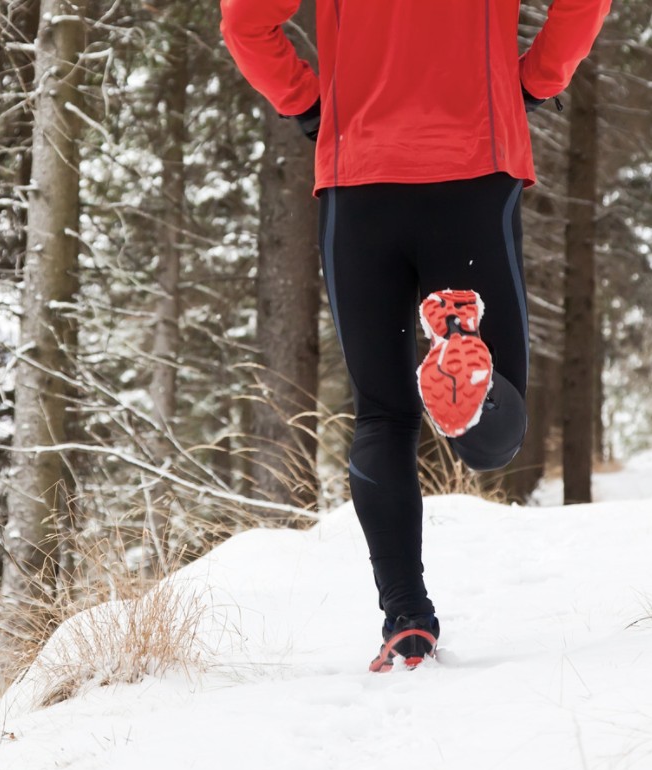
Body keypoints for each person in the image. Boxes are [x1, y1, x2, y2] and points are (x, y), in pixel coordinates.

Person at [220, 0, 612, 672]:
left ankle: (406, 618)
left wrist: (310, 104)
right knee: (494, 437)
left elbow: (245, 22)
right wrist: (533, 81)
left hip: (359, 180)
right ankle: (466, 369)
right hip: (473, 169)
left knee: (381, 413)